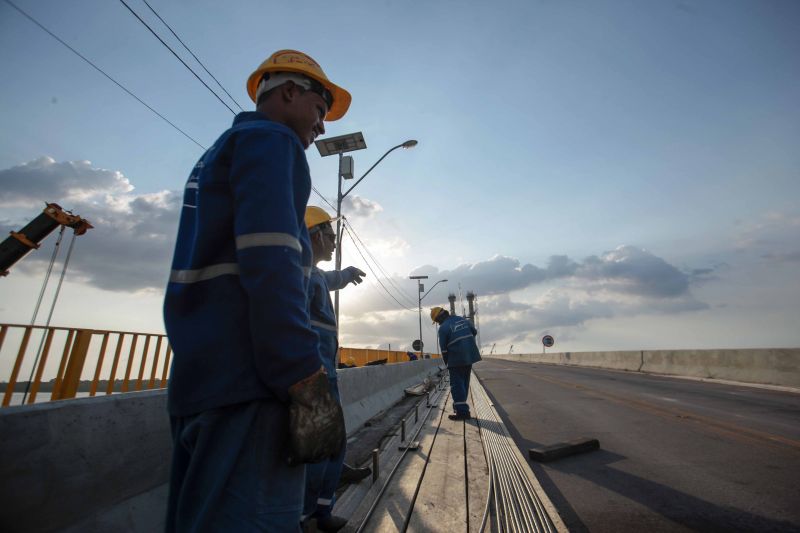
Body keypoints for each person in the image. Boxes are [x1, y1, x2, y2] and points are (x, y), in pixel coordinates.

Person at [163, 50, 352, 532]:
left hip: (200, 380)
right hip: (251, 386)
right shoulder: (273, 142)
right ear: (289, 91)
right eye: (320, 107)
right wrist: (302, 378)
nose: (321, 125)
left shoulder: (218, 153)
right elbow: (272, 267)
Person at [302, 206, 369, 531]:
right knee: (319, 448)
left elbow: (331, 278)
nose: (333, 243)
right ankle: (309, 517)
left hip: (324, 374)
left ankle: (321, 512)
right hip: (313, 377)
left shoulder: (313, 274)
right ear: (314, 236)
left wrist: (347, 273)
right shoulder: (300, 275)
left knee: (333, 445)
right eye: (330, 236)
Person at [430, 306, 482, 420]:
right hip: (469, 355)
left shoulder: (443, 328)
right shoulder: (462, 319)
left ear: (439, 318)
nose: (438, 324)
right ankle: (460, 407)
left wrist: (447, 363)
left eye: (437, 321)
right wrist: (466, 342)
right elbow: (474, 331)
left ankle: (462, 413)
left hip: (456, 358)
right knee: (464, 382)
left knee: (456, 385)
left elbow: (444, 350)